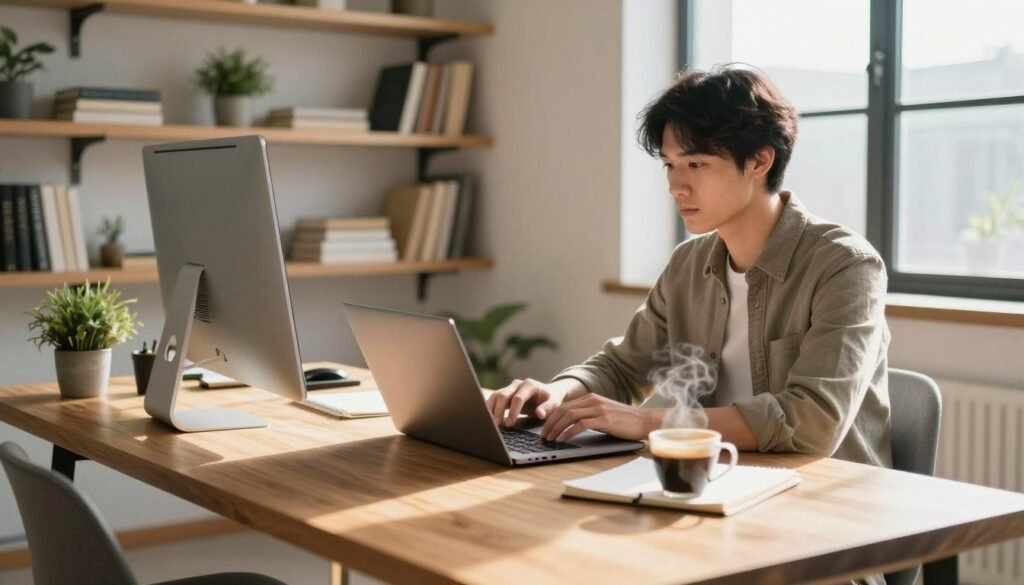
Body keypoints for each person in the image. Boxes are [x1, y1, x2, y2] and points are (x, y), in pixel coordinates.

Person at [486, 64, 892, 470]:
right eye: (669, 164)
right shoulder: (688, 263)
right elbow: (624, 368)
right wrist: (558, 393)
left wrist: (648, 422)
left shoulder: (846, 266)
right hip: (717, 483)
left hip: (829, 499)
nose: (676, 186)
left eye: (695, 164)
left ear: (759, 161)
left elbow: (814, 423)